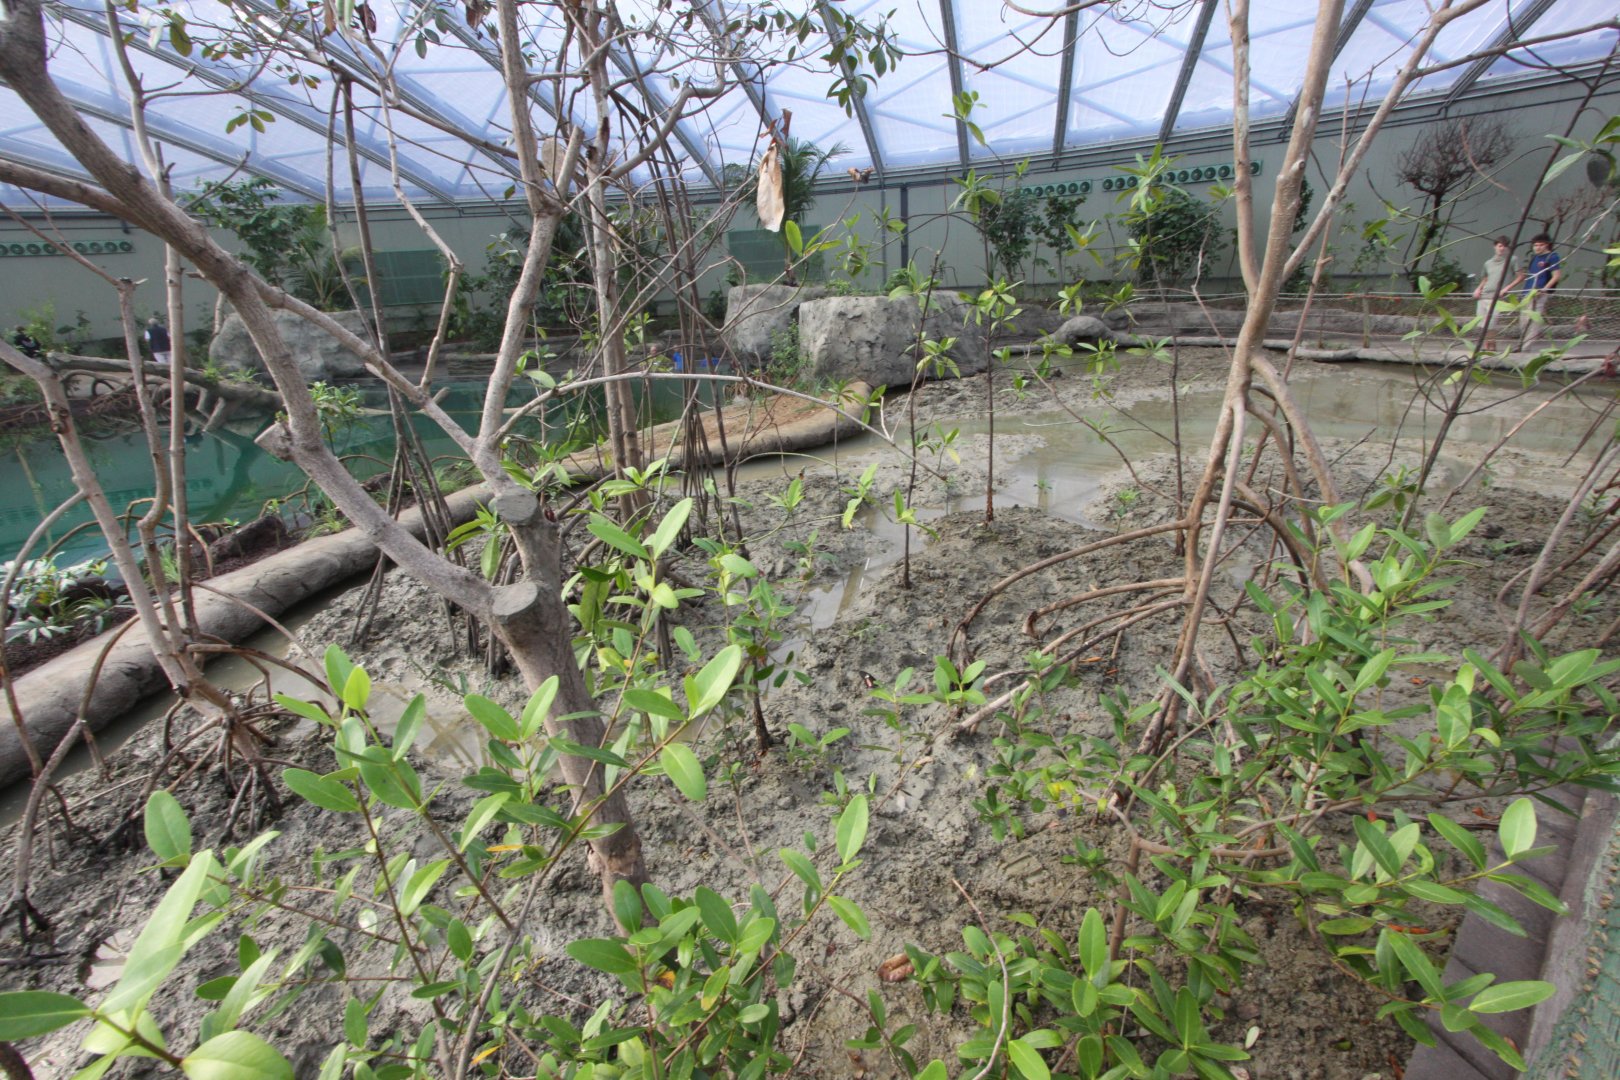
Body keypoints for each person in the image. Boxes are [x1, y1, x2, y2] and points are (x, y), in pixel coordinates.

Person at [1514, 233, 1561, 350]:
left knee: (1534, 320)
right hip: (1526, 292)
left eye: (1541, 245)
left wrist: (1544, 289)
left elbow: (1556, 276)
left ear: (1547, 245)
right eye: (1535, 245)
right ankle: (1521, 344)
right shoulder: (1534, 257)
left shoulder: (1552, 257)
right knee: (1523, 320)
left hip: (1539, 293)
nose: (1537, 247)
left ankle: (1526, 347)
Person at [1471, 236, 1518, 351]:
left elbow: (1520, 276)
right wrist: (1478, 289)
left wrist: (1507, 288)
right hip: (1484, 296)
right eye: (1500, 246)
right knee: (1482, 323)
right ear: (1495, 246)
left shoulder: (1512, 260)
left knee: (1491, 323)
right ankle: (1489, 346)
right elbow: (1485, 278)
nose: (1502, 249)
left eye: (1505, 246)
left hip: (1497, 297)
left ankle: (1490, 346)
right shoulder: (1488, 263)